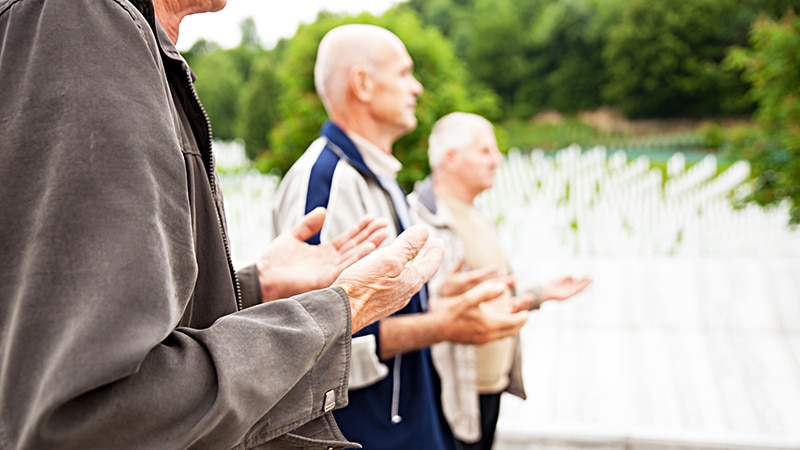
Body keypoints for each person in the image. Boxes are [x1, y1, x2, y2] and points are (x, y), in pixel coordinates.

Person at [0, 1, 446, 449]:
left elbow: (138, 329)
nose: (417, 89)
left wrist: (255, 287)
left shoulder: (109, 37)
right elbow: (92, 417)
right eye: (405, 73)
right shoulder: (79, 21)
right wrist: (345, 308)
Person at [271, 24, 529, 450]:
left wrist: (439, 299)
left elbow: (375, 307)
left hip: (405, 424)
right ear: (364, 84)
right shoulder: (328, 180)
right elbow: (314, 345)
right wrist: (443, 324)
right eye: (405, 73)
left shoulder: (381, 178)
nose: (417, 88)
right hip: (365, 432)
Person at [408, 112, 594, 450]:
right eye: (484, 151)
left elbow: (485, 295)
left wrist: (539, 294)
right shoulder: (421, 222)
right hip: (453, 394)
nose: (497, 159)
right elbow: (423, 305)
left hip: (487, 387)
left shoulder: (475, 213)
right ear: (450, 158)